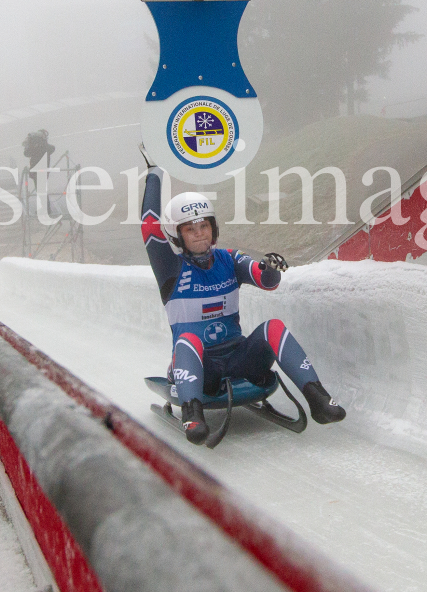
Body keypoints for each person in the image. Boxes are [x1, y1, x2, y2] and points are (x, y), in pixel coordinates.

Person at [139, 160, 345, 445]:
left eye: (204, 225)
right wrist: (154, 173)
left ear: (213, 228)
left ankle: (318, 398)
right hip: (201, 368)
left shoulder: (229, 259)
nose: (200, 233)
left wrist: (270, 269)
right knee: (187, 339)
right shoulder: (169, 267)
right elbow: (148, 224)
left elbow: (266, 281)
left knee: (273, 327)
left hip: (239, 359)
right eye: (190, 229)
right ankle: (192, 414)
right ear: (177, 235)